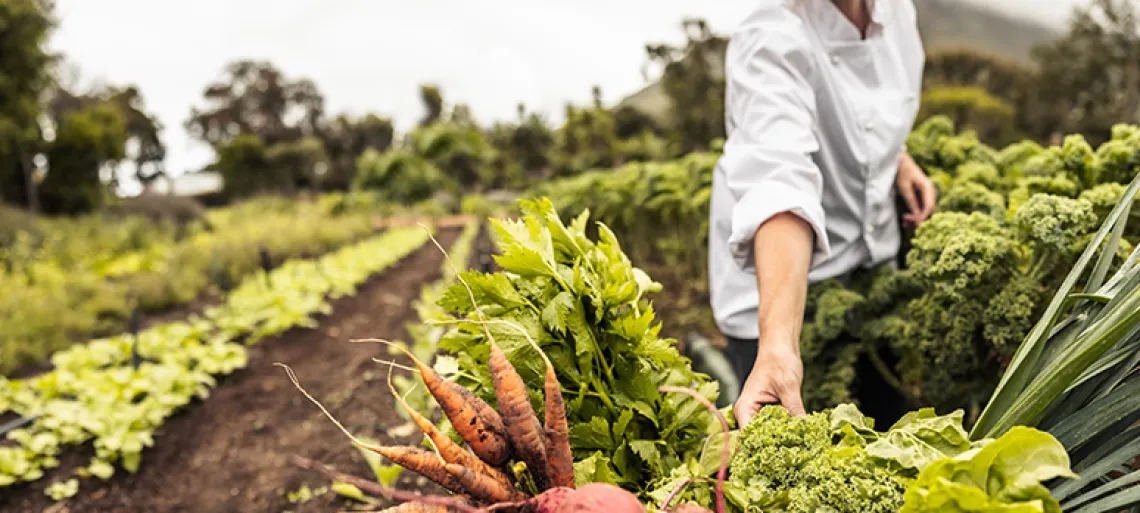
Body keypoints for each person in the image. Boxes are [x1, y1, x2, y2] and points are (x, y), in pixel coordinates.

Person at [707, 0, 937, 428]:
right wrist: (778, 348)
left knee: (886, 418)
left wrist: (896, 158)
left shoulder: (897, 11)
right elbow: (780, 182)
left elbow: (866, 104)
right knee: (798, 458)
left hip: (868, 270)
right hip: (779, 288)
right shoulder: (770, 33)